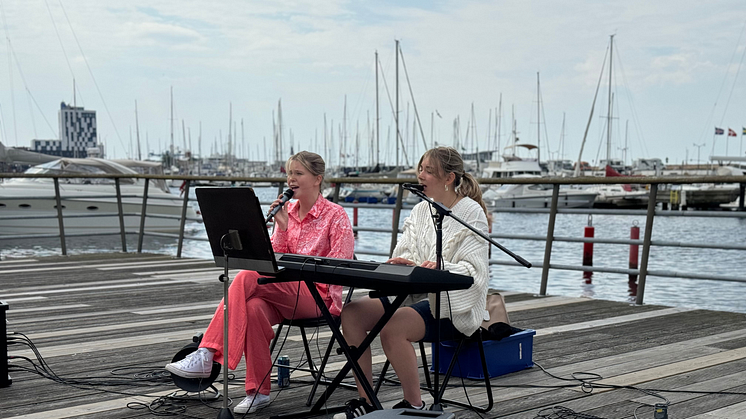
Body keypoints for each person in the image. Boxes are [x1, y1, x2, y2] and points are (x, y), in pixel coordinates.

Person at [166, 151, 355, 415]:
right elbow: (272, 261)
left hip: (318, 296)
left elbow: (338, 267)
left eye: (298, 173)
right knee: (253, 307)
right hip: (285, 292)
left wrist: (290, 238)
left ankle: (207, 352)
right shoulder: (287, 211)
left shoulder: (336, 215)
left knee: (245, 276)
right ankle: (258, 392)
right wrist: (282, 226)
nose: (291, 179)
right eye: (289, 173)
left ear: (317, 179)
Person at [335, 147, 490, 418]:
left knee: (393, 328)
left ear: (449, 178)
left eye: (428, 170)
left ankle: (414, 404)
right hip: (411, 294)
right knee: (352, 314)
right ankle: (367, 400)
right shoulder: (420, 210)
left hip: (450, 305)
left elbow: (474, 272)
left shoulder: (470, 212)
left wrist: (440, 267)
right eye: (421, 169)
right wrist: (401, 263)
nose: (421, 175)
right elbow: (403, 254)